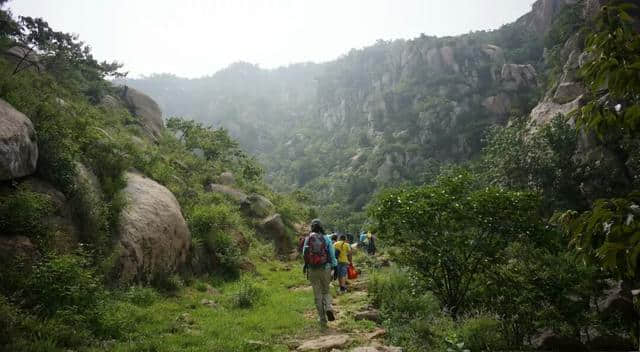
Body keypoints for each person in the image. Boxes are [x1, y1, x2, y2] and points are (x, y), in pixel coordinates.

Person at [302, 219, 338, 328]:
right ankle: (328, 307)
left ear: (312, 227)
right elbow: (332, 255)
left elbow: (304, 254)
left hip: (312, 269)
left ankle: (322, 320)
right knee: (326, 290)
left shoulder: (308, 239)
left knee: (317, 295)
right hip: (325, 268)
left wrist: (306, 266)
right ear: (321, 227)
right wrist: (335, 267)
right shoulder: (326, 238)